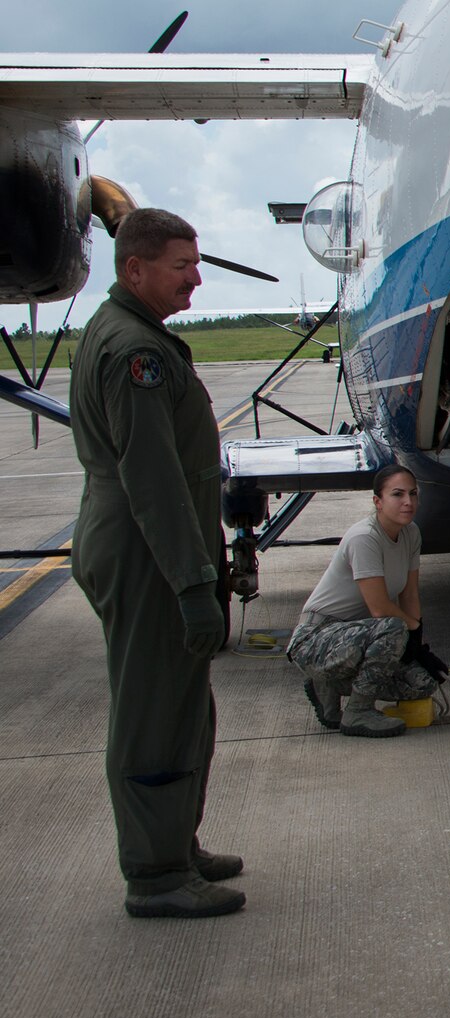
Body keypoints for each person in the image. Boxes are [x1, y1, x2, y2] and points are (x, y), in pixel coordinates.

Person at [69, 207, 244, 919]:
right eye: (182, 265)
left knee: (181, 705)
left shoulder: (140, 337)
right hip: (149, 554)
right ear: (134, 269)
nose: (196, 278)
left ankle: (174, 842)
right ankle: (154, 873)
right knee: (152, 710)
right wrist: (194, 582)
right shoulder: (132, 353)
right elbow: (154, 481)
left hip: (160, 549)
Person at [289, 465, 447, 738]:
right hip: (318, 638)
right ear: (378, 501)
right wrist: (409, 632)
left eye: (413, 494)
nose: (408, 502)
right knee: (393, 627)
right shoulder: (365, 538)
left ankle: (330, 686)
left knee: (424, 682)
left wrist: (418, 646)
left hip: (357, 637)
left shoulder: (411, 534)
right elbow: (380, 608)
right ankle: (358, 712)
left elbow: (409, 594)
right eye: (397, 494)